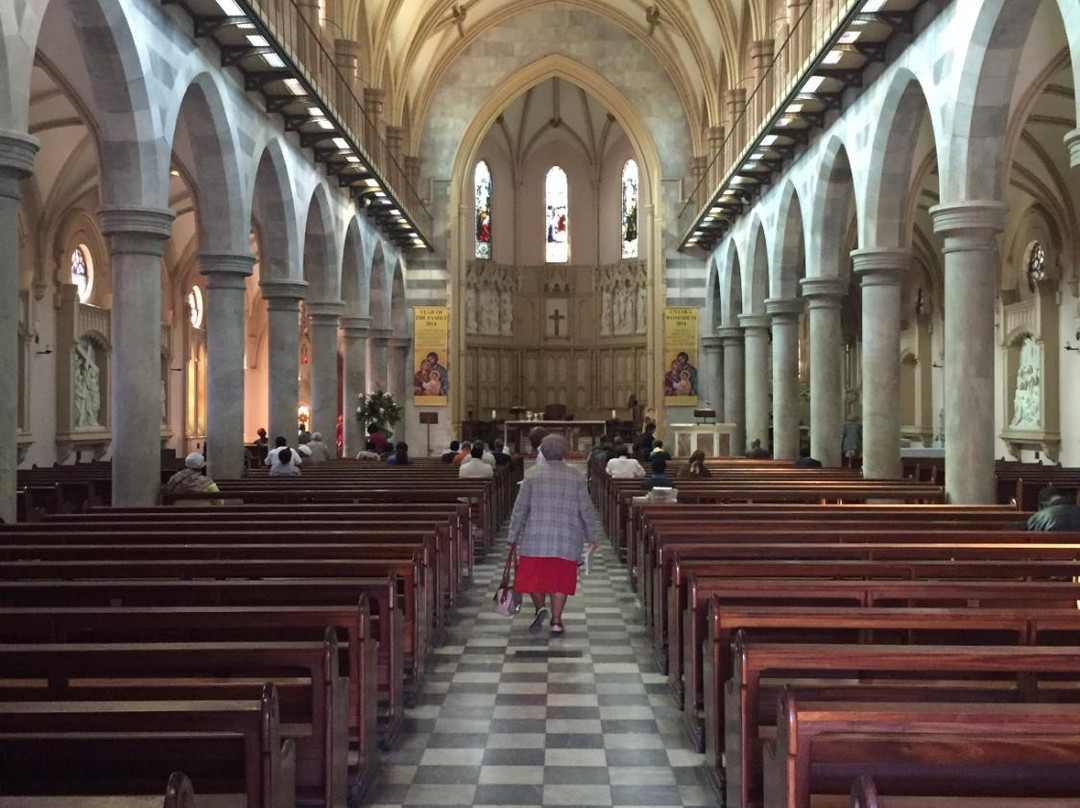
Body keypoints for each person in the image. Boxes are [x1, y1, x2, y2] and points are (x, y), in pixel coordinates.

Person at [507, 434, 597, 636]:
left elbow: (520, 509)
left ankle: (540, 608)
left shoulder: (531, 475)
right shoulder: (576, 477)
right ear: (565, 452)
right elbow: (586, 509)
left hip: (535, 537)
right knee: (560, 580)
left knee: (533, 577)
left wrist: (513, 535)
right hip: (566, 537)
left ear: (543, 452)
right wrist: (592, 536)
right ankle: (556, 621)